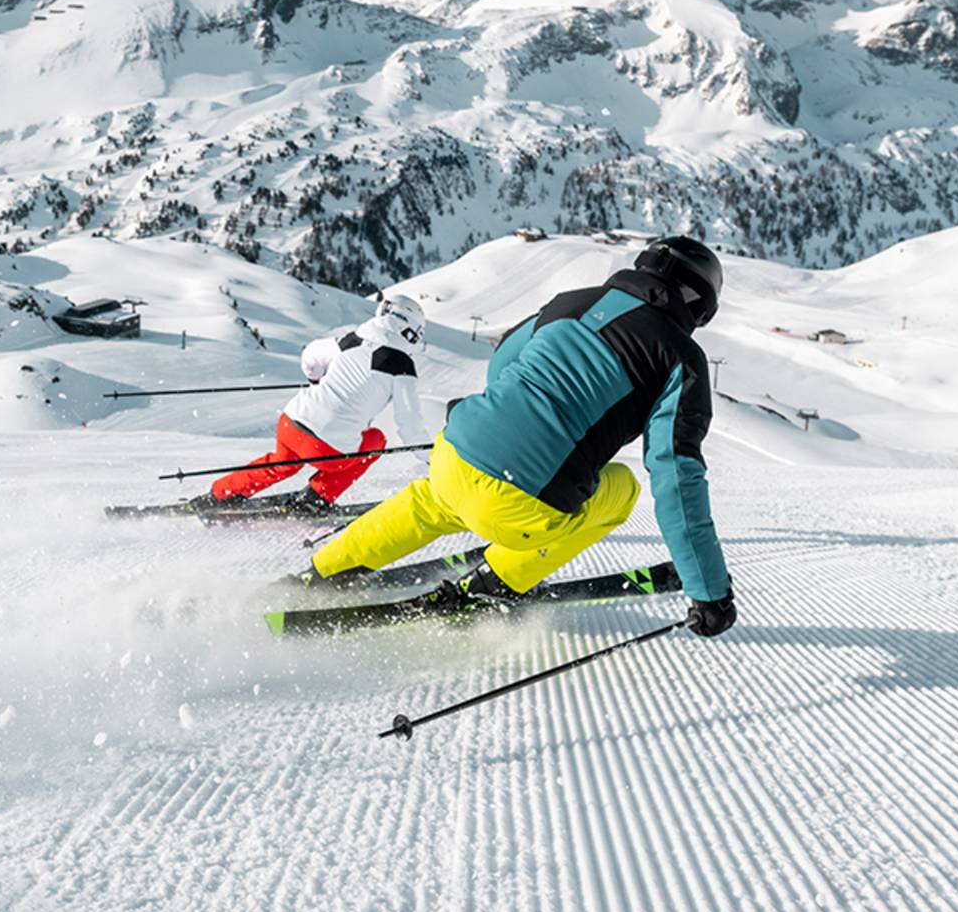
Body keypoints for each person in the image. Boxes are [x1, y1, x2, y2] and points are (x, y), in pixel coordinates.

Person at [300, 236, 737, 638]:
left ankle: (321, 573)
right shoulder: (682, 359)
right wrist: (708, 591)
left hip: (454, 453)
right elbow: (675, 477)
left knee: (430, 501)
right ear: (700, 305)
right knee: (621, 489)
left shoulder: (571, 302)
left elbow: (504, 361)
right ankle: (497, 583)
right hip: (522, 505)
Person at [197, 294, 432, 514]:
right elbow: (409, 425)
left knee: (282, 462)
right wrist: (431, 457)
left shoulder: (350, 340)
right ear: (410, 332)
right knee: (376, 440)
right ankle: (316, 498)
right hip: (327, 449)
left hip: (291, 422)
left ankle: (220, 494)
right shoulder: (402, 368)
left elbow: (310, 355)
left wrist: (316, 380)